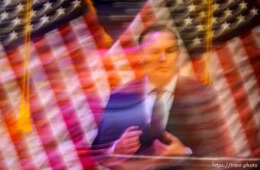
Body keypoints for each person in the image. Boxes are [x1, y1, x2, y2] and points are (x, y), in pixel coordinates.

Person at [92, 24, 234, 163]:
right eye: (154, 52)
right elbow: (97, 152)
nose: (163, 59)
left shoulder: (202, 94)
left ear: (178, 55)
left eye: (170, 51)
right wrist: (116, 148)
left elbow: (219, 157)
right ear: (141, 56)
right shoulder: (121, 96)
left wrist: (185, 154)